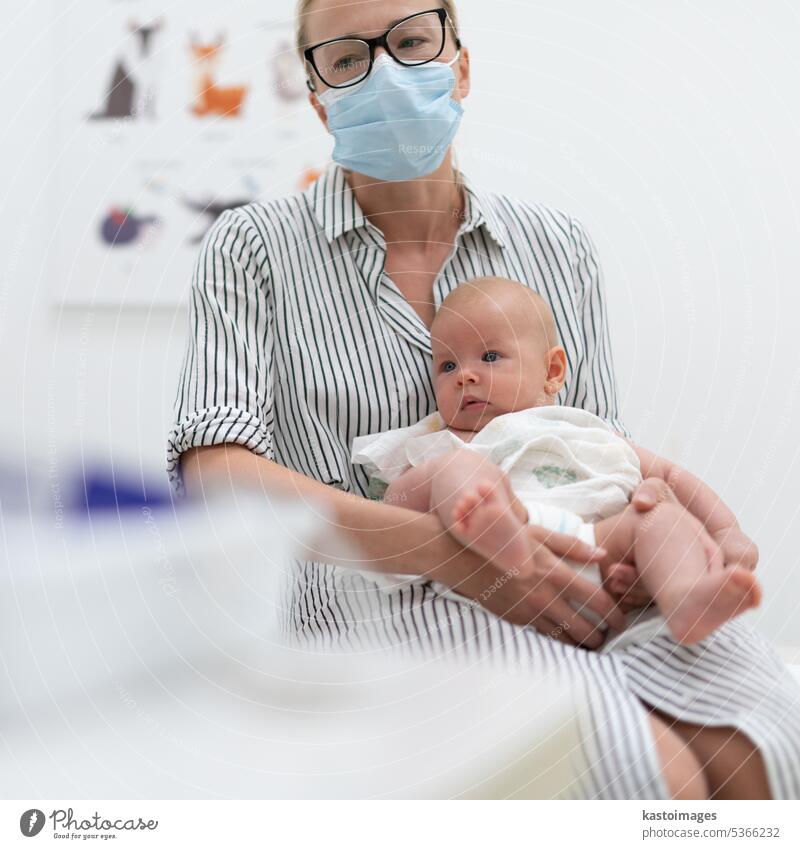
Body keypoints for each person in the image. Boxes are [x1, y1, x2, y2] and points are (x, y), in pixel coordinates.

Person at [168, 0, 800, 798]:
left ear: (460, 62)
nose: (386, 71)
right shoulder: (252, 247)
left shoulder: (559, 246)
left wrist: (657, 541)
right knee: (649, 772)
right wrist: (442, 552)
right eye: (346, 57)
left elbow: (594, 445)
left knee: (764, 750)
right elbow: (215, 472)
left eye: (410, 40)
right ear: (318, 94)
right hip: (381, 603)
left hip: (573, 559)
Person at [350, 276, 762, 646]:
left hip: (602, 545)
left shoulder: (586, 427)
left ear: (552, 371)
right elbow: (393, 506)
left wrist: (726, 531)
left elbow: (670, 474)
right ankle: (499, 529)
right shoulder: (444, 439)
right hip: (494, 563)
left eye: (490, 357)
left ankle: (686, 598)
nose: (464, 376)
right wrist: (440, 476)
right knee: (454, 471)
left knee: (663, 520)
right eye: (447, 365)